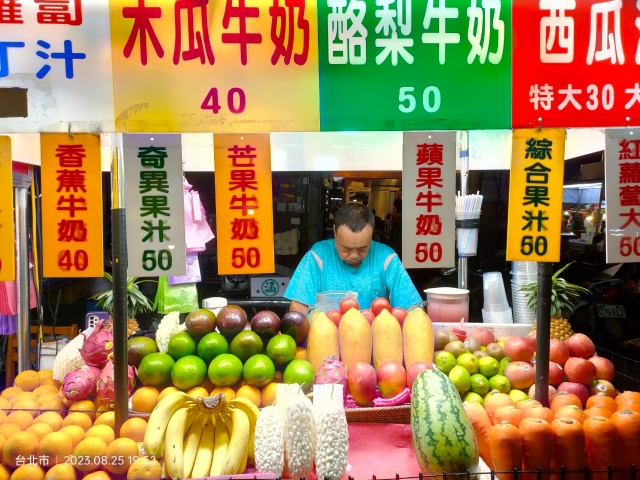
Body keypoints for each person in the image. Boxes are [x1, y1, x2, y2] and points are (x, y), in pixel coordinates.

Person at [284, 204, 422, 313]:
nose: (354, 255)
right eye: (346, 248)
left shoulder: (386, 257)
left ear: (372, 234)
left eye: (363, 248)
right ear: (334, 231)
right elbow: (298, 308)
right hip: (326, 340)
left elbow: (412, 308)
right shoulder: (318, 256)